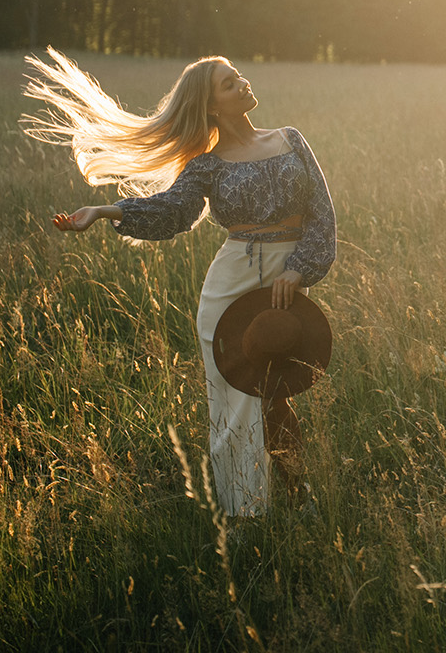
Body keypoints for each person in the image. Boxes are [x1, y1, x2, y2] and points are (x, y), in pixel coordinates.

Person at [23, 48, 336, 516]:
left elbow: (322, 213)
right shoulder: (207, 164)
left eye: (238, 75)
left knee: (277, 393)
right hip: (231, 286)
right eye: (229, 83)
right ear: (211, 106)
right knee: (235, 402)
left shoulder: (290, 139)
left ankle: (296, 495)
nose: (243, 83)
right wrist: (105, 210)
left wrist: (299, 268)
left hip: (285, 282)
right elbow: (171, 211)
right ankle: (244, 514)